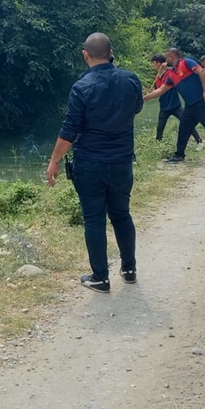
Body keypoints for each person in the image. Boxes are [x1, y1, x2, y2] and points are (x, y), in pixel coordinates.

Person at [46, 33, 144, 293]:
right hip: (122, 161)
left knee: (94, 219)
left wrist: (54, 161)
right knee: (122, 214)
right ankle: (129, 269)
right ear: (111, 52)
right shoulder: (131, 80)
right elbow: (136, 109)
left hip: (90, 163)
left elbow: (69, 130)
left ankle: (100, 278)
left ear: (85, 55)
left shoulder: (81, 87)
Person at [143, 48, 205, 166]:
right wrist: (144, 98)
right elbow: (160, 90)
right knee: (183, 129)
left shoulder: (187, 62)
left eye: (167, 57)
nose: (165, 59)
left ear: (172, 57)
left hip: (202, 102)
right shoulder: (172, 75)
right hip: (190, 106)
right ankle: (179, 155)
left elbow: (201, 72)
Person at [150, 53, 202, 147]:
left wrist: (167, 65)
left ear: (159, 63)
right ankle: (157, 147)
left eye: (153, 63)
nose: (152, 65)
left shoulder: (170, 73)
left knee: (186, 122)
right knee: (160, 128)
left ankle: (199, 141)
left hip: (175, 105)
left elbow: (176, 69)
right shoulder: (157, 77)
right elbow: (156, 90)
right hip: (164, 106)